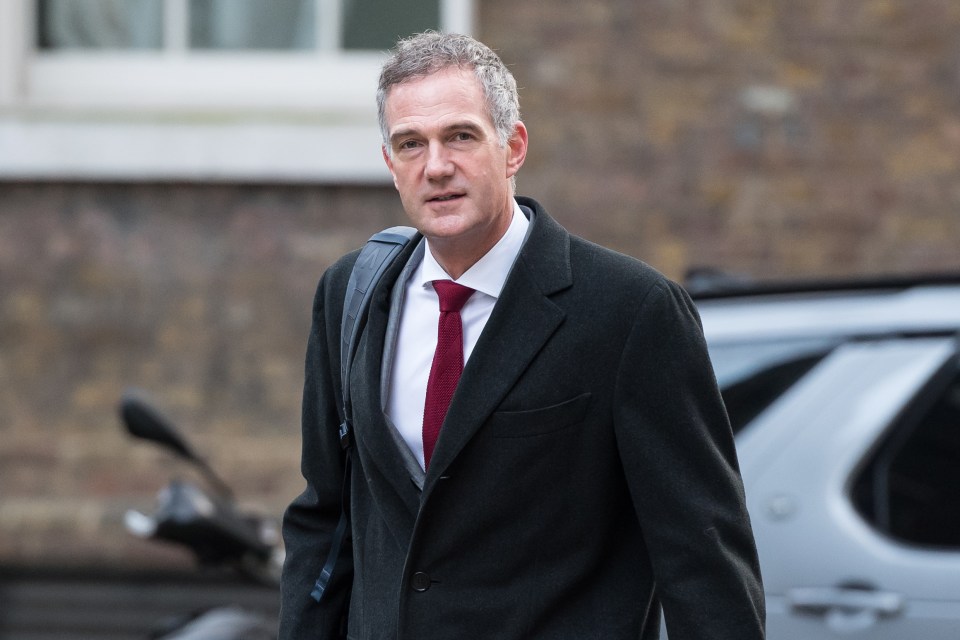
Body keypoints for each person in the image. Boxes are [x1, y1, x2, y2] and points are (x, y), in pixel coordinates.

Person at [280, 31, 765, 640]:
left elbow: (703, 557)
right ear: (390, 164)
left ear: (513, 148)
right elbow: (322, 520)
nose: (436, 166)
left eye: (460, 135)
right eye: (411, 144)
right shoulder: (350, 293)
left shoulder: (631, 311)